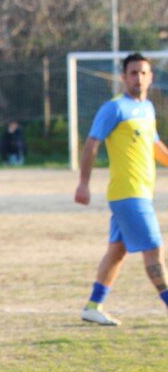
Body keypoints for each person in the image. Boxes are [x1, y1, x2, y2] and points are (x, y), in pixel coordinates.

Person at [74, 52, 168, 326]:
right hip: (129, 194)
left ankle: (93, 306)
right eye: (133, 73)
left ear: (151, 77)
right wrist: (83, 183)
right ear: (123, 77)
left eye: (143, 73)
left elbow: (156, 147)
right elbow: (92, 144)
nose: (138, 78)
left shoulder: (147, 108)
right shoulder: (115, 108)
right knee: (154, 250)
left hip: (141, 192)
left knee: (117, 251)